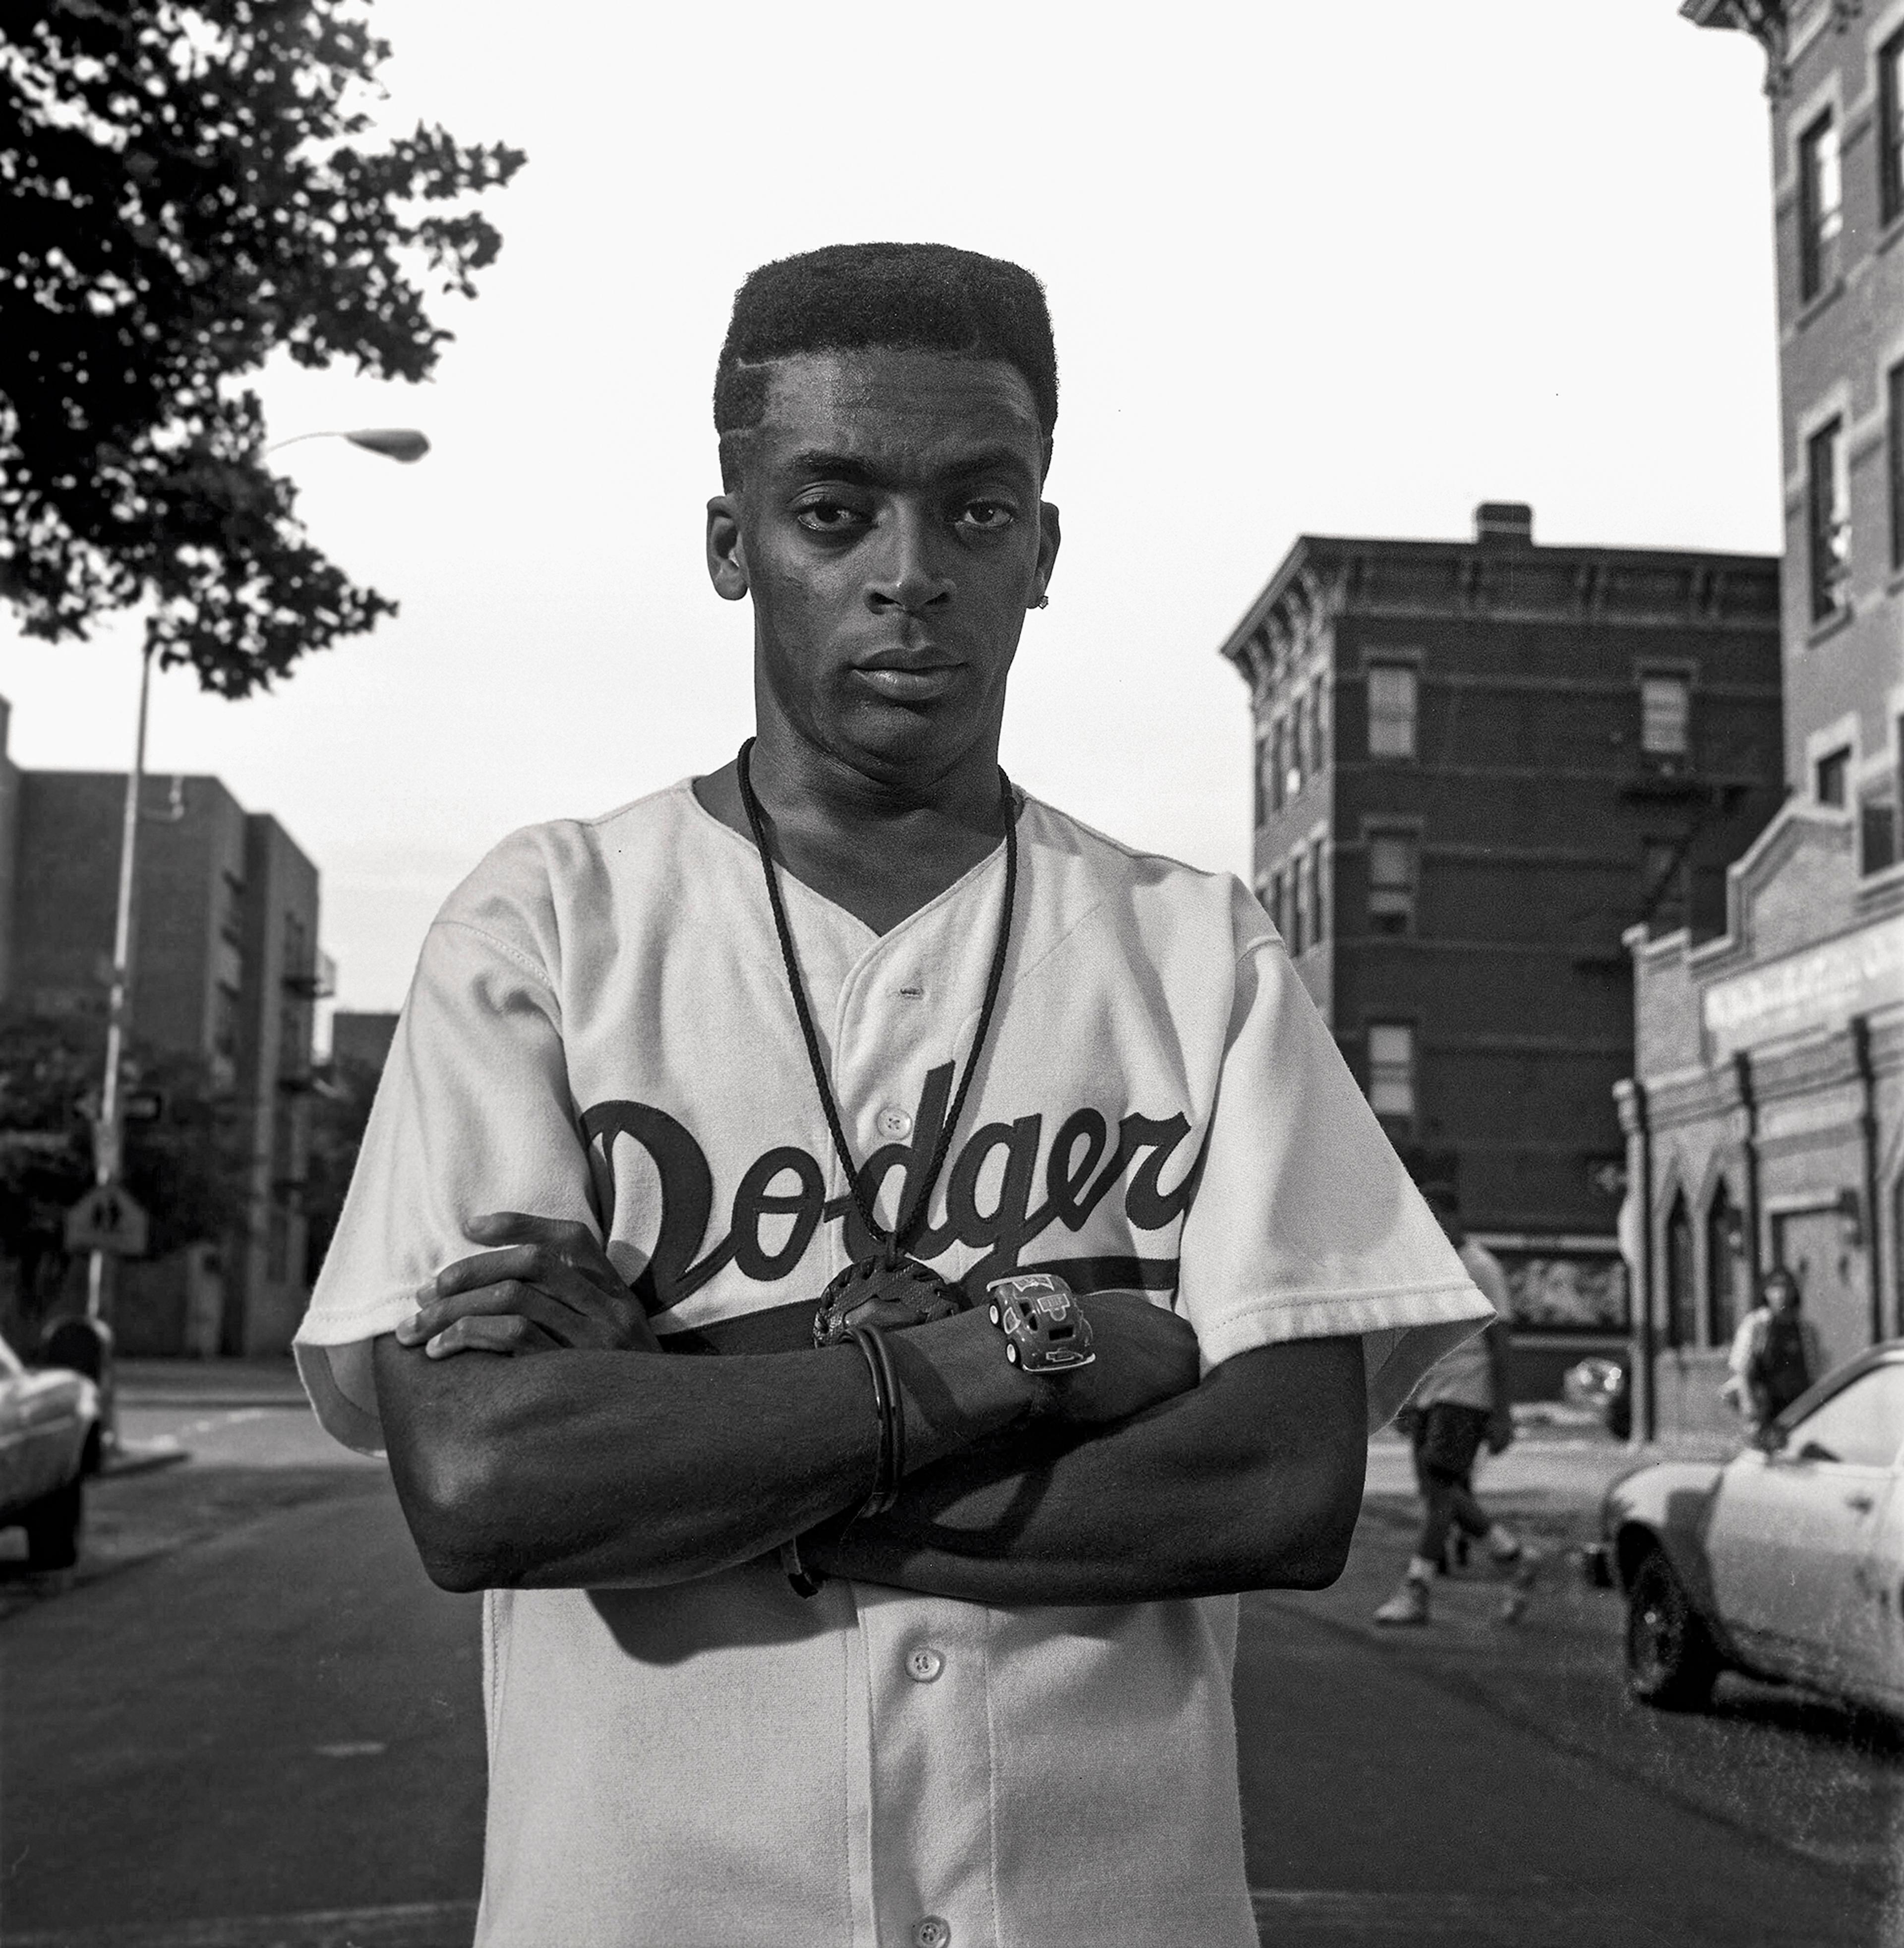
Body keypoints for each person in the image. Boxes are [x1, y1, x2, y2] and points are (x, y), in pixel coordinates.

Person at [295, 242, 1493, 1948]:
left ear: (1045, 551)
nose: (911, 576)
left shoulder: (1193, 946)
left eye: (979, 512)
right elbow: (492, 1482)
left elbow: (1279, 1488)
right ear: (733, 542)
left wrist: (683, 1433)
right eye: (835, 510)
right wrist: (1014, 1355)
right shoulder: (550, 919)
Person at [1373, 1185, 1520, 1627]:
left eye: (1439, 1217)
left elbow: (1502, 1342)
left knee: (1439, 1488)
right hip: (1431, 1393)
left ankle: (1417, 1589)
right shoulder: (1430, 1264)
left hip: (1466, 1392)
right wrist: (1407, 1399)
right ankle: (1511, 1553)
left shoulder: (1481, 1267)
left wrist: (1503, 1412)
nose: (1432, 1226)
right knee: (1437, 1491)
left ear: (1457, 1219)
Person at [1722, 1268, 1821, 1433]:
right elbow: (1741, 1368)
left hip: (1798, 1404)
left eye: (1786, 1287)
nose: (1781, 1293)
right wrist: (1749, 1404)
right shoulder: (1756, 1325)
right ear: (1766, 1292)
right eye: (1775, 1287)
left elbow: (1814, 1372)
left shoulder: (1805, 1330)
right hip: (1765, 1407)